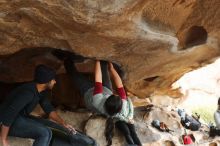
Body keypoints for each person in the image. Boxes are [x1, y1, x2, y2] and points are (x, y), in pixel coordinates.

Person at [0, 65, 96, 146]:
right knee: (44, 132)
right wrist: (3, 139)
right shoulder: (27, 93)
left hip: (20, 117)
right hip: (4, 120)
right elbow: (9, 114)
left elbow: (48, 109)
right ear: (47, 81)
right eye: (53, 79)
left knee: (54, 127)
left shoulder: (41, 91)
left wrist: (63, 124)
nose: (55, 82)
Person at [62, 56, 142, 146]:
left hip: (89, 94)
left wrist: (97, 61)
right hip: (105, 90)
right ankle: (104, 63)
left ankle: (66, 60)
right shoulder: (121, 104)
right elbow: (120, 85)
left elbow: (98, 81)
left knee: (75, 76)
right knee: (105, 72)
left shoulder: (98, 100)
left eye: (114, 94)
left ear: (107, 99)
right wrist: (111, 69)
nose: (116, 93)